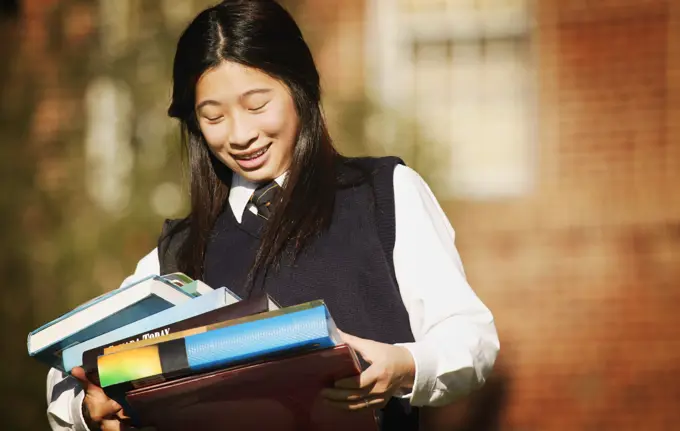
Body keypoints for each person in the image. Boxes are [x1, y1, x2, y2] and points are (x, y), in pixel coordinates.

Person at [45, 1, 499, 430]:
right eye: (213, 117)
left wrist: (405, 368)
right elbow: (70, 370)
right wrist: (87, 408)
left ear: (301, 87)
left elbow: (469, 339)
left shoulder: (384, 195)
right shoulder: (178, 253)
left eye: (257, 105)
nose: (241, 135)